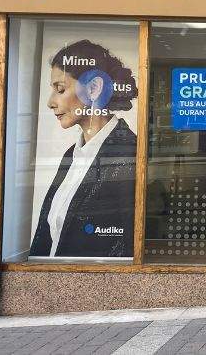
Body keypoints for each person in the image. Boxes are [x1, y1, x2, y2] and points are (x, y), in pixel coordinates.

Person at [30, 39, 138, 258]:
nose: (50, 102)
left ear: (94, 88)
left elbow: (129, 244)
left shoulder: (130, 153)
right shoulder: (71, 155)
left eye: (60, 89)